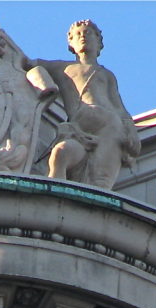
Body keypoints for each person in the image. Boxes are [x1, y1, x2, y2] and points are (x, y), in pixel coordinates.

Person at [37, 20, 141, 189]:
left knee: (100, 183)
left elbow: (118, 106)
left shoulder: (106, 75)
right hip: (78, 130)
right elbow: (26, 62)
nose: (83, 36)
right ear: (70, 42)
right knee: (60, 153)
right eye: (78, 34)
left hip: (110, 129)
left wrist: (131, 131)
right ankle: (53, 198)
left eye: (88, 33)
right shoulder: (62, 68)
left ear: (99, 42)